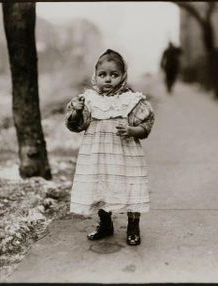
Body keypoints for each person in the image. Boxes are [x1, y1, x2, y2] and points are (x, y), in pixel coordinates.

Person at [65, 49, 155, 246]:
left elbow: (146, 126)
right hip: (97, 154)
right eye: (102, 75)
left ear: (123, 76)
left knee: (131, 185)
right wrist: (76, 113)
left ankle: (133, 226)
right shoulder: (87, 100)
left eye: (114, 75)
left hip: (125, 154)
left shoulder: (132, 101)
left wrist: (132, 130)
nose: (108, 80)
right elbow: (75, 126)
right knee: (101, 184)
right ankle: (105, 224)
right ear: (95, 76)